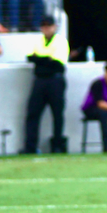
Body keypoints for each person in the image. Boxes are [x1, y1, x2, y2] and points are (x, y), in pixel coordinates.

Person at [21, 14, 69, 154]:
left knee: (57, 113)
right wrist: (46, 59)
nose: (46, 29)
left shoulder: (60, 41)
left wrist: (40, 59)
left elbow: (57, 63)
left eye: (49, 26)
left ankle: (57, 145)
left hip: (55, 80)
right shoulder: (39, 41)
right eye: (44, 26)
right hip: (40, 80)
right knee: (33, 113)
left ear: (54, 27)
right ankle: (30, 146)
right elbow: (30, 57)